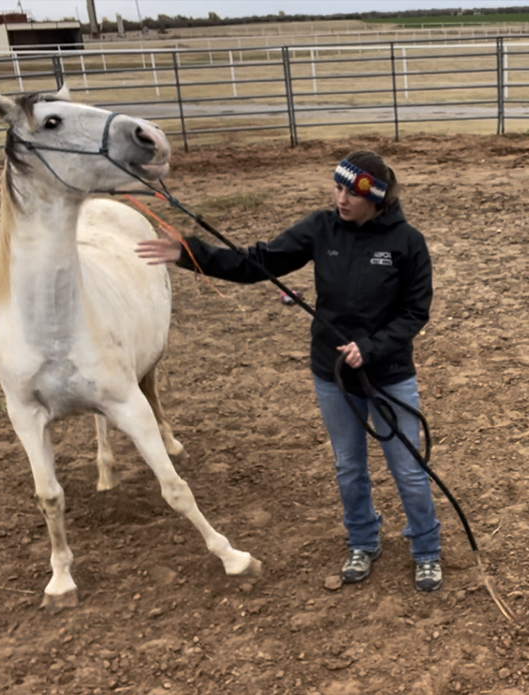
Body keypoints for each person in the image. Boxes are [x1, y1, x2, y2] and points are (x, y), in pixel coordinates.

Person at [135, 151, 442, 592]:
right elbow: (255, 263)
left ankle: (426, 549)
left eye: (349, 193)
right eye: (336, 188)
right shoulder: (321, 228)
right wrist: (188, 253)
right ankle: (362, 540)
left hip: (388, 374)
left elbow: (416, 311)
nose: (340, 199)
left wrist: (372, 347)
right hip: (332, 375)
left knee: (408, 469)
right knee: (349, 466)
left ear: (374, 198)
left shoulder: (406, 242)